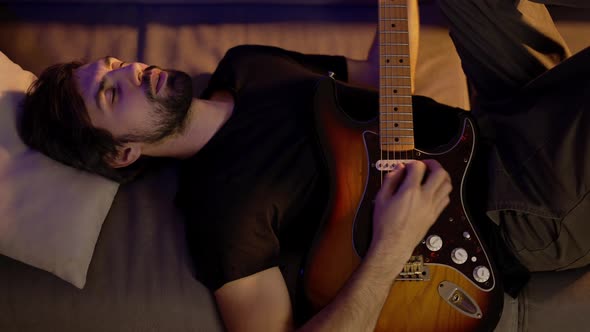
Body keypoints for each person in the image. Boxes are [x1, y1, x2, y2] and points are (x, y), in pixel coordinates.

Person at [17, 0, 589, 330]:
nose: (134, 71)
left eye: (117, 64)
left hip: (492, 123)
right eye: (114, 94)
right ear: (122, 153)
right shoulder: (217, 211)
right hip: (514, 205)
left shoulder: (246, 64)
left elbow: (376, 77)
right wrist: (394, 243)